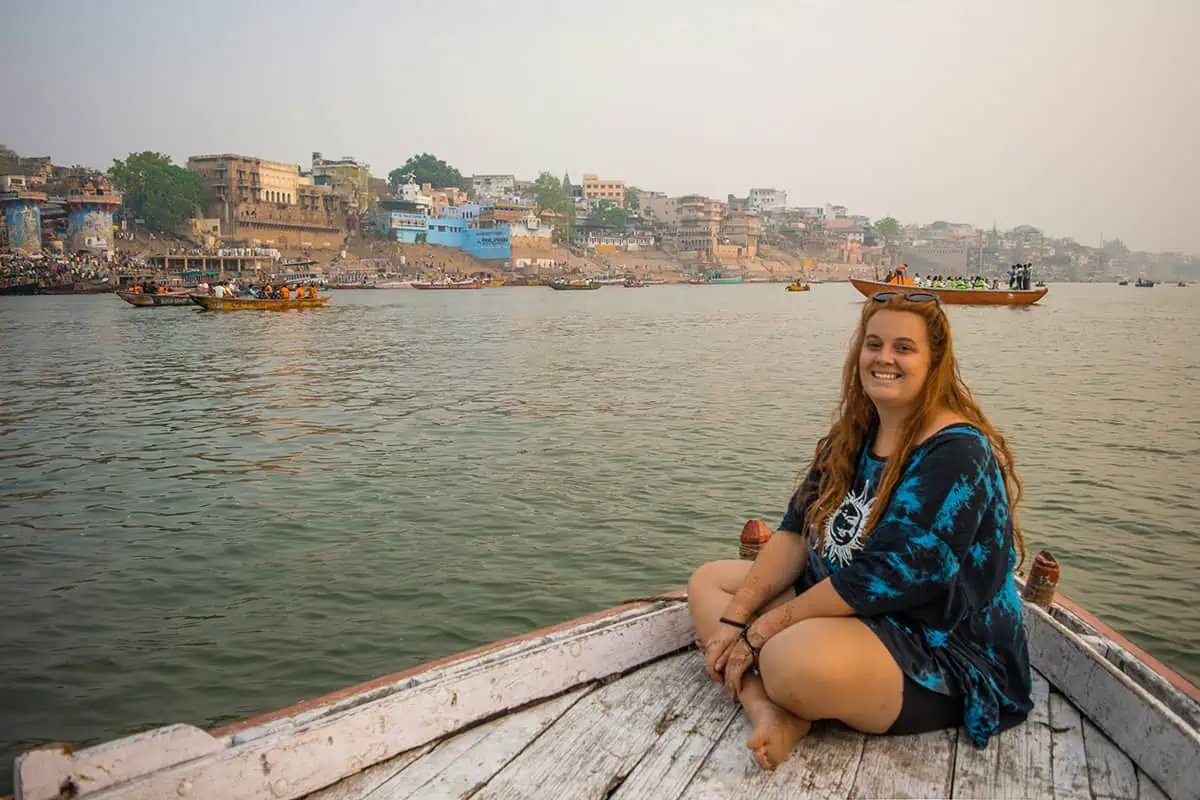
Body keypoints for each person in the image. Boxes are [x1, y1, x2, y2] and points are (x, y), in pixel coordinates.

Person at [687, 291, 1032, 771]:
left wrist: (760, 629)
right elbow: (793, 534)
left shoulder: (955, 453)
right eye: (874, 344)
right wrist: (735, 620)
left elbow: (881, 577)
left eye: (904, 348)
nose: (884, 358)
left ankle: (790, 690)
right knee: (711, 583)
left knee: (788, 659)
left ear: (934, 361)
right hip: (847, 612)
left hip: (935, 647)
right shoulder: (852, 436)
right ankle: (768, 710)